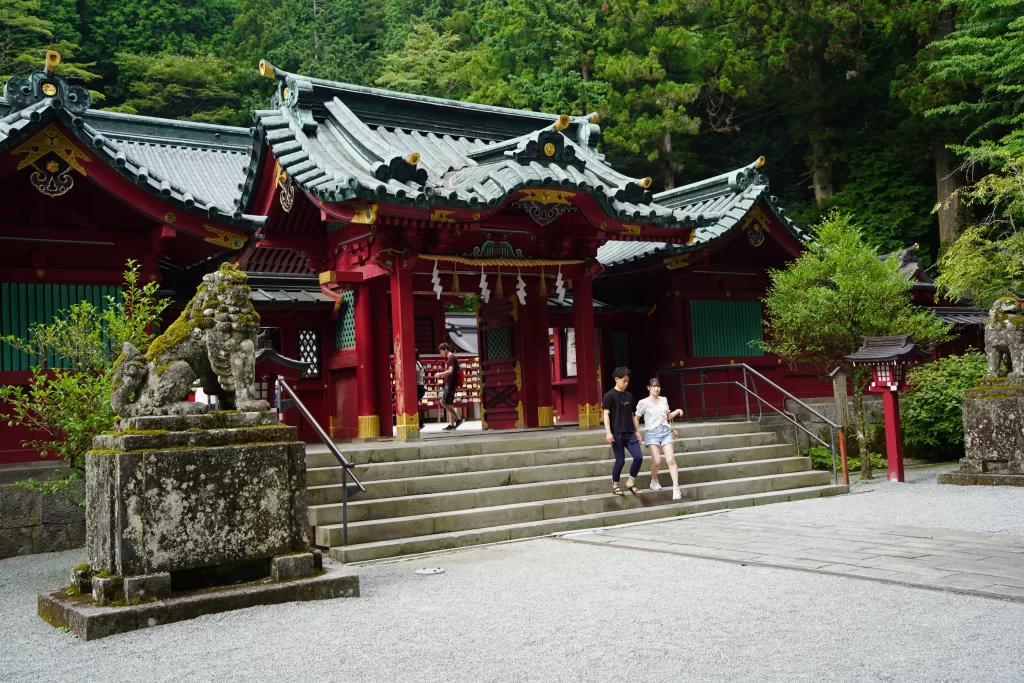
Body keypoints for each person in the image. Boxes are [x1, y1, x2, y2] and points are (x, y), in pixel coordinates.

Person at [635, 377, 684, 500]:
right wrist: (637, 432)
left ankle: (676, 487)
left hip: (665, 431)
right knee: (657, 461)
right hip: (652, 433)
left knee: (671, 460)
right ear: (649, 388)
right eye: (653, 386)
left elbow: (666, 416)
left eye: (658, 386)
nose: (656, 388)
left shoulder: (664, 400)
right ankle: (654, 480)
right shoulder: (643, 402)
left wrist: (677, 411)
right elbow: (636, 417)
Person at [603, 366, 643, 496]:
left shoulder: (630, 396)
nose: (626, 383)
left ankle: (631, 481)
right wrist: (608, 432)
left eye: (627, 381)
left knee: (638, 457)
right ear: (616, 379)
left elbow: (632, 415)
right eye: (624, 381)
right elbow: (606, 415)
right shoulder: (609, 396)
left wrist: (637, 431)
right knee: (620, 461)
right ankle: (615, 484)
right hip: (617, 434)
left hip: (630, 433)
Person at [437, 342, 463, 431]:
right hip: (452, 382)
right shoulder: (451, 358)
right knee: (449, 403)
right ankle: (452, 424)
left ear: (446, 350)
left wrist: (440, 374)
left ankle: (458, 418)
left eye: (441, 352)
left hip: (450, 383)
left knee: (444, 403)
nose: (441, 354)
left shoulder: (451, 358)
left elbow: (450, 371)